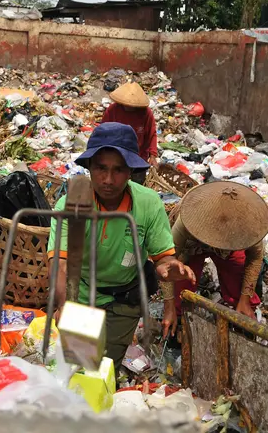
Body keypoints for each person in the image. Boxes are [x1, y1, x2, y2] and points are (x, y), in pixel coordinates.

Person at [47, 122, 195, 369]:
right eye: (101, 169)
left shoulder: (148, 204)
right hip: (81, 292)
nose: (108, 179)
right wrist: (64, 305)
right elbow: (60, 265)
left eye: (118, 170)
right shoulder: (72, 204)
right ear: (89, 169)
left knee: (106, 364)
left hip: (125, 297)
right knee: (80, 365)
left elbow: (162, 258)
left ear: (130, 172)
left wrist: (167, 268)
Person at [170, 181, 268, 321]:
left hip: (229, 245)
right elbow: (168, 261)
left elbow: (255, 257)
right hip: (192, 244)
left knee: (237, 278)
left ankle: (241, 311)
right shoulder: (187, 219)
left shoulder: (249, 224)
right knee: (181, 281)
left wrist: (244, 300)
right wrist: (169, 307)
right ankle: (180, 317)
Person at [101, 82, 158, 184]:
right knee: (117, 184)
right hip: (116, 155)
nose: (129, 107)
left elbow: (151, 133)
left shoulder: (146, 113)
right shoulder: (113, 110)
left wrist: (153, 155)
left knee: (138, 185)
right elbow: (103, 131)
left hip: (139, 157)